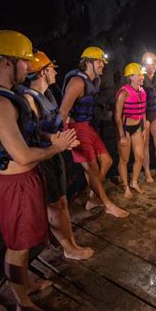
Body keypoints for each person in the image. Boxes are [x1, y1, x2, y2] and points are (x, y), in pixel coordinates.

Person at [0, 30, 78, 310]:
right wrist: (57, 147)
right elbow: (21, 154)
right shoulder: (0, 102)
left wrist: (48, 138)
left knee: (25, 241)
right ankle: (22, 303)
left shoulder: (10, 96)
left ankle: (26, 283)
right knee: (17, 246)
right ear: (6, 62)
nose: (27, 68)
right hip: (15, 183)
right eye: (23, 62)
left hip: (25, 179)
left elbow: (25, 134)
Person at [20, 51, 94, 261]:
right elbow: (29, 134)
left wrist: (64, 140)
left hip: (55, 153)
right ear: (43, 72)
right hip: (43, 157)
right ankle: (67, 247)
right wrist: (54, 139)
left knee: (62, 201)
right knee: (54, 204)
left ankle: (70, 243)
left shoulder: (49, 94)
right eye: (51, 68)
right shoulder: (29, 99)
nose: (54, 71)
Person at [60, 46, 129, 218]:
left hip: (87, 126)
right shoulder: (77, 82)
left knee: (107, 160)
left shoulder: (94, 81)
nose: (102, 65)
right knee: (92, 168)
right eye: (99, 61)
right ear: (88, 62)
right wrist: (62, 136)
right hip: (76, 128)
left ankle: (93, 197)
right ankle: (107, 204)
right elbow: (62, 112)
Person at [115, 63, 147, 198]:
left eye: (142, 75)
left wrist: (144, 128)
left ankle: (134, 182)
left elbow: (143, 112)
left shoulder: (142, 91)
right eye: (138, 75)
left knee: (140, 156)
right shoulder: (124, 93)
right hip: (125, 129)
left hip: (137, 128)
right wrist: (122, 135)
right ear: (130, 77)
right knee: (124, 159)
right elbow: (117, 116)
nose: (141, 77)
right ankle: (125, 186)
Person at [141, 52, 156, 182]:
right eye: (148, 64)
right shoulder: (140, 79)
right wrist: (143, 118)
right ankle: (147, 172)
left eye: (154, 63)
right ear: (144, 65)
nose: (151, 66)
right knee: (145, 146)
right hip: (144, 115)